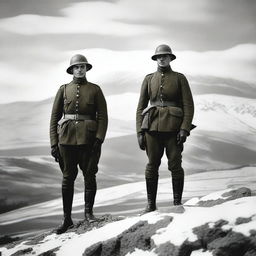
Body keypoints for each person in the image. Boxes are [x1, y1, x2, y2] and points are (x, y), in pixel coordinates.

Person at [50, 54, 108, 234]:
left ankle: (88, 214)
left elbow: (103, 117)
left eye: (83, 66)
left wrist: (99, 139)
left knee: (90, 175)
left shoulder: (95, 90)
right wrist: (54, 143)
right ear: (72, 70)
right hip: (65, 140)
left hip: (89, 140)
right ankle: (66, 219)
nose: (80, 69)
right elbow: (54, 118)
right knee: (68, 178)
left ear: (86, 69)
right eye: (77, 67)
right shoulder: (63, 89)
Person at [136, 44, 194, 213]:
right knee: (152, 164)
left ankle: (177, 203)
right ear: (155, 59)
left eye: (165, 56)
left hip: (174, 129)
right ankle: (151, 205)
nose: (162, 59)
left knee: (175, 164)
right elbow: (140, 107)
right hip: (152, 127)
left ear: (170, 58)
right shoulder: (148, 79)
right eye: (159, 56)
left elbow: (188, 105)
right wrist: (140, 131)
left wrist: (184, 129)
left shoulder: (179, 78)